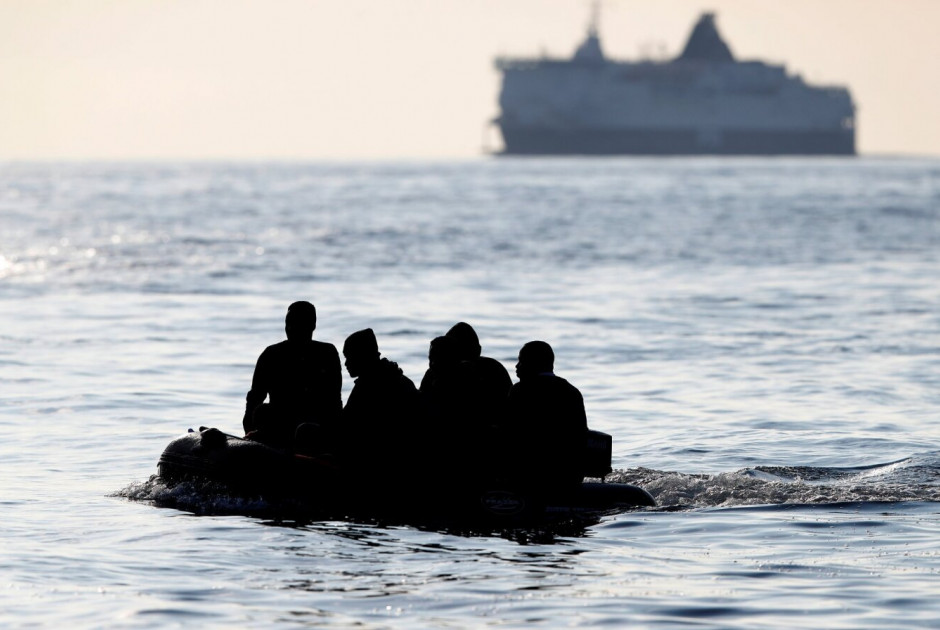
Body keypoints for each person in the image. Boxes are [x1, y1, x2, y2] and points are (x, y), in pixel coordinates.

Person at [243, 301, 342, 448]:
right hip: (279, 428)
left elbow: (334, 401)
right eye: (288, 323)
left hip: (314, 431)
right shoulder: (271, 355)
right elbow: (254, 400)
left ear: (312, 326)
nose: (290, 328)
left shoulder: (327, 353)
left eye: (298, 324)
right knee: (262, 411)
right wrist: (249, 438)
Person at [339, 328, 423, 480]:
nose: (346, 363)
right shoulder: (397, 379)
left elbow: (347, 427)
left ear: (362, 356)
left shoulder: (367, 387)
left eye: (349, 357)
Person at [504, 340, 587, 494]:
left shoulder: (520, 391)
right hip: (569, 476)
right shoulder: (572, 392)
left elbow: (509, 433)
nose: (516, 367)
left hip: (532, 476)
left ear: (533, 363)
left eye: (521, 361)